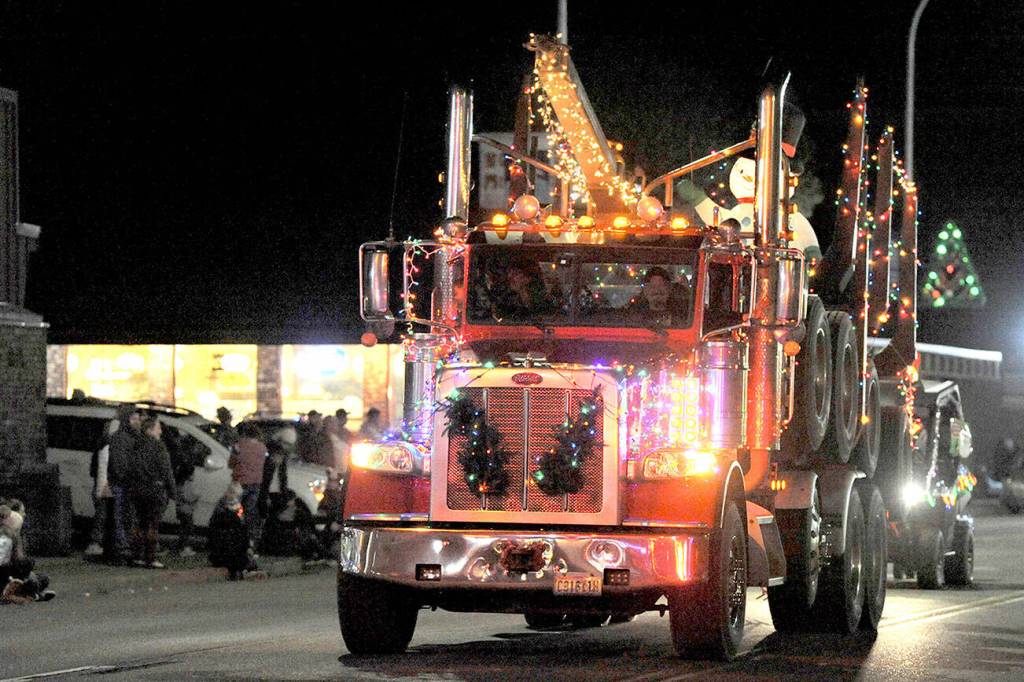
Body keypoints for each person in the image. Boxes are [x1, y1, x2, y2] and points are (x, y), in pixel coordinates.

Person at [126, 417, 176, 569]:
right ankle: (150, 557)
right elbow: (166, 470)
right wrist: (172, 490)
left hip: (138, 489)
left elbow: (130, 467)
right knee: (153, 525)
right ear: (149, 430)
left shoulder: (135, 445)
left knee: (140, 523)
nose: (160, 431)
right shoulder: (158, 446)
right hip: (154, 489)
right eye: (158, 428)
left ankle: (137, 555)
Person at [106, 404, 142, 564]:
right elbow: (120, 465)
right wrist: (128, 479)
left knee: (126, 518)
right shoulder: (121, 439)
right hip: (121, 486)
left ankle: (125, 549)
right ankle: (120, 550)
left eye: (138, 419)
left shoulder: (133, 438)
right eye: (134, 419)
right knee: (120, 519)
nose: (137, 422)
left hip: (128, 485)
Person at [1, 501, 55, 603]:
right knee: (27, 569)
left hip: (13, 573)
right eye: (22, 511)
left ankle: (27, 593)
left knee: (42, 578)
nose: (24, 514)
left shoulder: (16, 533)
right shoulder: (6, 535)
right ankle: (30, 595)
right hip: (7, 574)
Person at [84, 418, 119, 558]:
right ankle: (96, 543)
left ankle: (99, 543)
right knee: (102, 516)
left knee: (102, 516)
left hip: (101, 485)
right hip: (104, 486)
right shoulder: (107, 448)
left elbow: (94, 470)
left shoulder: (100, 446)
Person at [229, 421, 268, 545]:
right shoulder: (262, 447)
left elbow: (231, 464)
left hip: (240, 482)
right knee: (250, 511)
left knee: (234, 510)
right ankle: (251, 539)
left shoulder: (239, 446)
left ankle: (235, 537)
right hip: (256, 483)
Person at [208, 482, 255, 580]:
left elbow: (242, 524)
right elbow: (241, 526)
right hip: (226, 545)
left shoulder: (235, 507)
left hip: (228, 544)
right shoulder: (224, 509)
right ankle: (241, 570)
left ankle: (242, 570)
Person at [166, 427, 198, 557]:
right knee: (188, 524)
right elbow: (188, 496)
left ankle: (181, 546)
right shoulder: (185, 461)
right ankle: (184, 547)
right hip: (184, 497)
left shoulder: (176, 458)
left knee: (184, 523)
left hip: (180, 494)